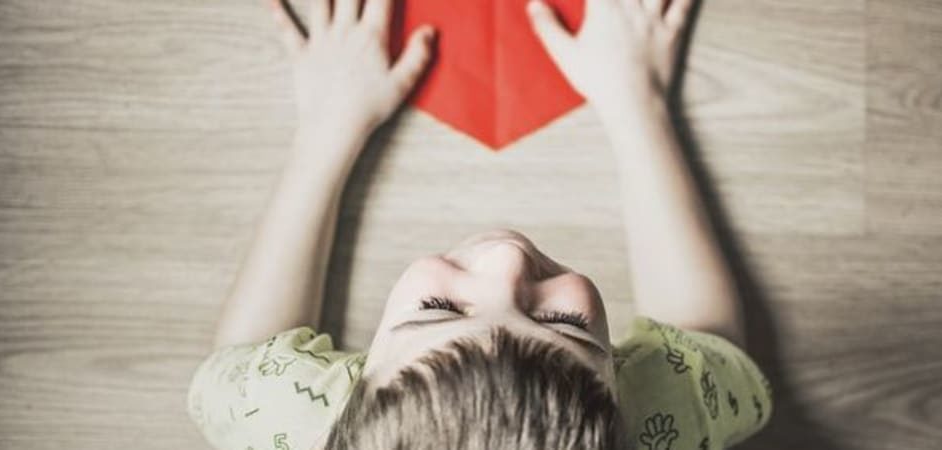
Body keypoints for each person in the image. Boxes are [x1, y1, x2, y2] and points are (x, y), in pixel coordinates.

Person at [186, 0, 772, 448]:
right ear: (623, 394)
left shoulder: (287, 413)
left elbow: (241, 359)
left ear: (352, 392)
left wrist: (326, 128)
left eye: (439, 310)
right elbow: (712, 344)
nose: (507, 258)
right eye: (566, 324)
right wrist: (635, 101)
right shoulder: (658, 416)